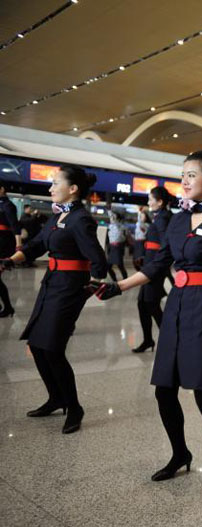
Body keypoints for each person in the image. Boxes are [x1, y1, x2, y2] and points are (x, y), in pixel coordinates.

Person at [96, 150, 202, 499]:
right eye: (182, 174)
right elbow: (157, 265)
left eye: (191, 175)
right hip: (176, 306)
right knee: (163, 389)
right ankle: (180, 453)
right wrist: (119, 286)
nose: (184, 180)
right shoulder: (175, 221)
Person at [0, 166, 107, 434]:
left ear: (73, 189)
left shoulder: (80, 219)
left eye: (55, 183)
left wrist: (88, 288)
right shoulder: (56, 217)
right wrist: (10, 260)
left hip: (70, 289)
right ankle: (56, 397)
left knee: (52, 348)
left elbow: (99, 261)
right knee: (37, 345)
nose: (50, 189)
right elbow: (36, 246)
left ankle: (74, 407)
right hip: (51, 284)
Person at [133, 186, 174, 353]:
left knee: (151, 303)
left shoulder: (164, 218)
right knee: (143, 303)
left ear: (160, 202)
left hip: (155, 267)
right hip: (149, 265)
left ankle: (170, 340)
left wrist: (157, 263)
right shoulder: (160, 216)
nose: (149, 202)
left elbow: (166, 242)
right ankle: (148, 340)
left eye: (151, 199)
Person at [0, 183, 23, 317]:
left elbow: (15, 226)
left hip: (3, 244)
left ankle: (8, 307)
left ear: (2, 189)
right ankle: (7, 307)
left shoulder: (8, 206)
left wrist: (18, 246)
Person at [105, 210, 128, 282]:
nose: (111, 219)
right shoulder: (110, 226)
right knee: (108, 267)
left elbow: (124, 237)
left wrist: (110, 211)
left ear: (117, 218)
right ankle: (114, 280)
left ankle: (125, 279)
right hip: (112, 247)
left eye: (113, 217)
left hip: (118, 247)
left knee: (120, 265)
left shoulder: (121, 226)